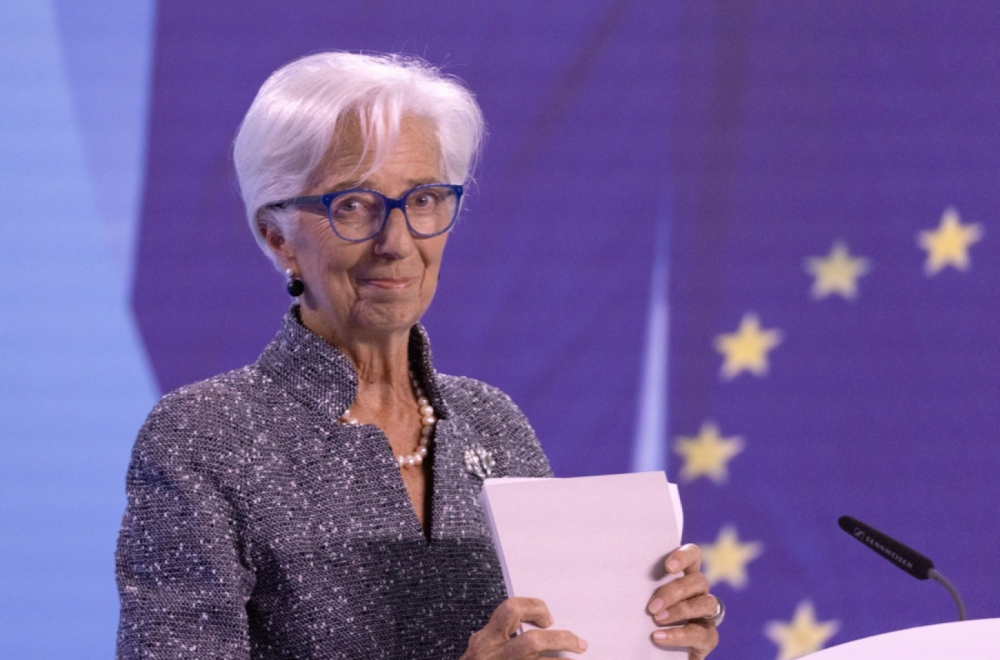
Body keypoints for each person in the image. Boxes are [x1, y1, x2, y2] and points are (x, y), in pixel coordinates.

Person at [115, 51, 721, 660]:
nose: (397, 242)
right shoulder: (204, 436)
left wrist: (656, 636)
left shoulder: (493, 423)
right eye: (353, 205)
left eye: (424, 199)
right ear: (279, 239)